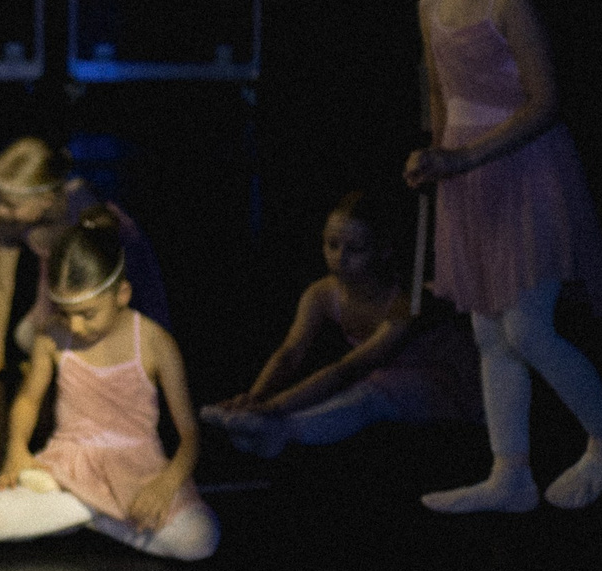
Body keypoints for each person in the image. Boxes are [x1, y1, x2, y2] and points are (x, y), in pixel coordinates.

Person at [408, 0, 602, 514]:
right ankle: (510, 473)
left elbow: (544, 101)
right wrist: (435, 158)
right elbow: (442, 98)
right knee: (488, 333)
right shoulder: (431, 3)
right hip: (467, 182)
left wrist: (467, 158)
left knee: (528, 328)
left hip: (525, 172)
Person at [0, 215, 217, 558]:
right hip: (68, 466)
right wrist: (17, 450)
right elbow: (28, 400)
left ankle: (86, 513)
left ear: (122, 294)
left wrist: (165, 486)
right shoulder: (52, 335)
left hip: (136, 472)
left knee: (201, 538)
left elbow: (190, 434)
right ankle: (102, 513)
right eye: (65, 312)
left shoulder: (155, 343)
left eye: (87, 313)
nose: (75, 326)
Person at [201, 189, 481, 454]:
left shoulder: (408, 299)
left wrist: (274, 407)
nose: (339, 258)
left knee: (369, 392)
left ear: (383, 250)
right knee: (368, 387)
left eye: (355, 249)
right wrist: (255, 398)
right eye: (332, 245)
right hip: (394, 383)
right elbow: (289, 354)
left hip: (454, 388)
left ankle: (279, 430)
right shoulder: (322, 293)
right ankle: (259, 423)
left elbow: (350, 368)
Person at [0, 137, 170, 380]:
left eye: (10, 204)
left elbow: (106, 287)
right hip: (64, 276)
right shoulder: (8, 221)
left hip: (115, 276)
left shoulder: (88, 211)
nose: (0, 211)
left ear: (46, 200)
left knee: (131, 348)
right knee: (27, 337)